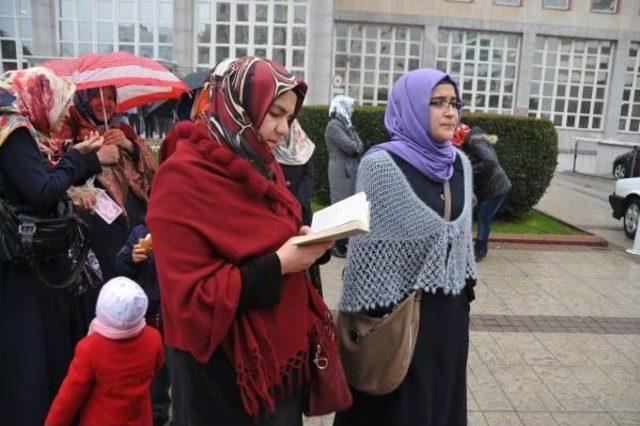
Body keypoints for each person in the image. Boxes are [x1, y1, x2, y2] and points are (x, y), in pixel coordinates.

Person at [147, 57, 339, 425]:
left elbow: (273, 235)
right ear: (238, 106)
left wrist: (304, 243)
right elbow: (192, 299)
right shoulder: (182, 177)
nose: (284, 129)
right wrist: (282, 263)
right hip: (219, 379)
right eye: (275, 113)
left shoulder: (260, 163)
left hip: (275, 368)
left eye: (290, 118)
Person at [334, 69, 478, 426]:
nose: (450, 112)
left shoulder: (459, 164)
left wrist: (463, 297)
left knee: (441, 408)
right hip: (398, 321)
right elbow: (366, 256)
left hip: (449, 321)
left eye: (454, 103)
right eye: (437, 103)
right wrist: (373, 323)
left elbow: (462, 246)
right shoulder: (381, 166)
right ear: (411, 106)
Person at [0, 67, 107, 425]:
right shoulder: (14, 133)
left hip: (28, 265)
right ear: (40, 98)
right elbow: (42, 190)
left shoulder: (20, 132)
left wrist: (73, 157)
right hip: (26, 269)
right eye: (60, 106)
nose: (62, 117)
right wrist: (78, 160)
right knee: (31, 355)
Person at [58, 86, 156, 281]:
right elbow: (58, 167)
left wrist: (128, 145)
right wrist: (95, 157)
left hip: (133, 221)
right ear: (84, 100)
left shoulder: (123, 129)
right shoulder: (69, 127)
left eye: (111, 98)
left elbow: (152, 169)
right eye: (96, 97)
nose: (105, 103)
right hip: (96, 224)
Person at [45, 277, 164, 426]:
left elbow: (70, 396)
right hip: (141, 419)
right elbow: (157, 366)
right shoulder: (153, 338)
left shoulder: (90, 348)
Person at [115, 222, 171, 425]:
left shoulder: (182, 229)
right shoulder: (141, 232)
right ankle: (155, 416)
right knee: (154, 376)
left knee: (178, 372)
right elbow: (120, 264)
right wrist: (132, 259)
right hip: (149, 316)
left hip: (174, 315)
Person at [274, 119, 330, 294]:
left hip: (302, 211)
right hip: (280, 211)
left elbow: (308, 173)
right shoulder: (269, 145)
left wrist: (300, 200)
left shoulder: (301, 144)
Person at [453, 124, 512, 261]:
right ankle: (478, 247)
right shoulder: (475, 141)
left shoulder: (475, 141)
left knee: (483, 218)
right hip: (493, 186)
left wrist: (469, 169)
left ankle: (480, 250)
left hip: (497, 186)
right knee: (482, 217)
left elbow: (490, 161)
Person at [324, 95, 363, 258]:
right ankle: (337, 245)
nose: (352, 110)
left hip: (348, 169)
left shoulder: (346, 125)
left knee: (349, 206)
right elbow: (352, 147)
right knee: (341, 205)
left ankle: (344, 243)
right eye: (350, 107)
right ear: (342, 107)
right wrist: (355, 143)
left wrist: (353, 136)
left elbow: (359, 146)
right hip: (340, 170)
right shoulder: (334, 125)